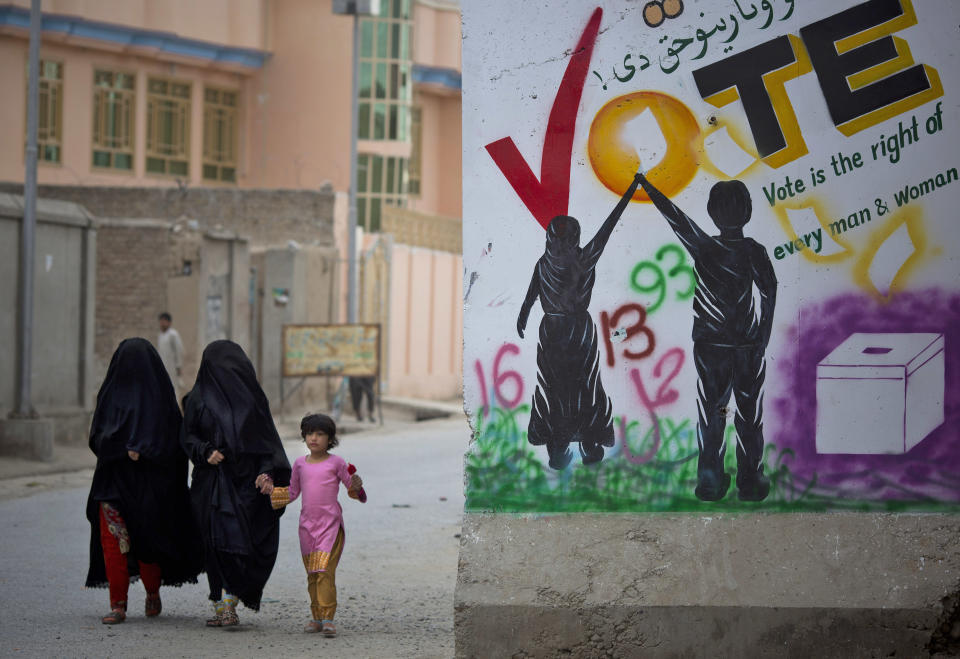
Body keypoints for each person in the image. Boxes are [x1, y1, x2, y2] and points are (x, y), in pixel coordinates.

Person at [636, 172, 777, 502]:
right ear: (747, 212)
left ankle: (711, 482)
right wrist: (763, 336)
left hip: (711, 346)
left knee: (712, 416)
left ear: (713, 213)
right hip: (746, 345)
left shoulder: (705, 247)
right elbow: (769, 291)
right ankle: (750, 482)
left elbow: (675, 218)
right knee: (748, 416)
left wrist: (647, 185)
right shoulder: (754, 251)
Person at [516, 170, 643, 469]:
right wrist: (630, 189)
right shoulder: (582, 258)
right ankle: (587, 439)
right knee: (582, 384)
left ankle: (562, 443)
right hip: (576, 328)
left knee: (557, 386)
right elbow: (608, 227)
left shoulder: (546, 261)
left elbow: (530, 295)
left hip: (553, 328)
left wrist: (523, 315)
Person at [85, 338, 202, 624]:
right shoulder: (110, 396)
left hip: (150, 486)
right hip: (112, 481)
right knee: (113, 541)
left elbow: (175, 446)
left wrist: (147, 451)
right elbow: (96, 438)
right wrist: (121, 449)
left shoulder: (161, 400)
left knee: (148, 540)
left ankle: (152, 593)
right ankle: (118, 604)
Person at [180, 340, 292, 627]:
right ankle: (221, 603)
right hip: (210, 483)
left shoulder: (252, 401)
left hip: (245, 484)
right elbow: (186, 436)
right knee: (213, 545)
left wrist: (266, 473)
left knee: (238, 544)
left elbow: (267, 444)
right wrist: (205, 451)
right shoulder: (197, 399)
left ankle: (229, 602)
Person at [266, 413, 364, 637]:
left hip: (330, 525)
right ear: (304, 436)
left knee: (325, 571)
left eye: (320, 434)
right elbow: (292, 492)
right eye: (310, 433)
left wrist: (357, 486)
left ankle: (328, 618)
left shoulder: (337, 463)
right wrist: (271, 491)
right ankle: (316, 617)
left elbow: (353, 488)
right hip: (307, 527)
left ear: (330, 439)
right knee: (312, 572)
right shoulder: (300, 464)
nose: (314, 438)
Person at [157, 312, 185, 398]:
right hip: (163, 366)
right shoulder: (160, 335)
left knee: (173, 386)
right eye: (160, 321)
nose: (162, 323)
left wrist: (178, 366)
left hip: (172, 367)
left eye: (164, 321)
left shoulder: (173, 334)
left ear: (169, 322)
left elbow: (179, 350)